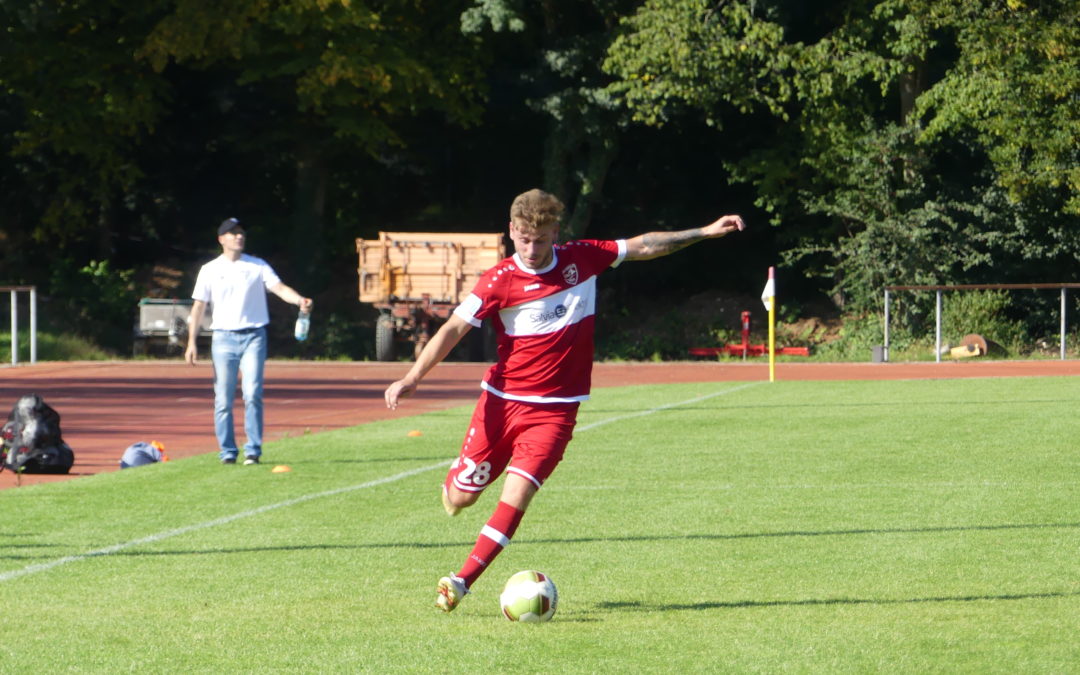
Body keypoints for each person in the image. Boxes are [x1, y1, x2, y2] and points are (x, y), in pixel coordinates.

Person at [383, 188, 746, 612]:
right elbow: (451, 330)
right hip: (500, 405)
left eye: (539, 239)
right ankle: (457, 485)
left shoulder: (583, 258)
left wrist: (704, 231)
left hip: (555, 413)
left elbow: (645, 244)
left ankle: (460, 582)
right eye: (522, 238)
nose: (531, 249)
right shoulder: (498, 280)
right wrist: (413, 376)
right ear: (511, 232)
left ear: (555, 232)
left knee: (516, 499)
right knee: (460, 499)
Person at [185, 217, 313, 465]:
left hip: (253, 336)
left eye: (241, 233)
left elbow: (279, 288)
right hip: (223, 338)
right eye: (233, 234)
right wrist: (191, 341)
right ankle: (228, 451)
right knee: (223, 398)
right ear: (221, 239)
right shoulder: (210, 270)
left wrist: (299, 300)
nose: (238, 237)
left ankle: (253, 449)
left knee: (252, 392)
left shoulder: (257, 266)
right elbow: (198, 307)